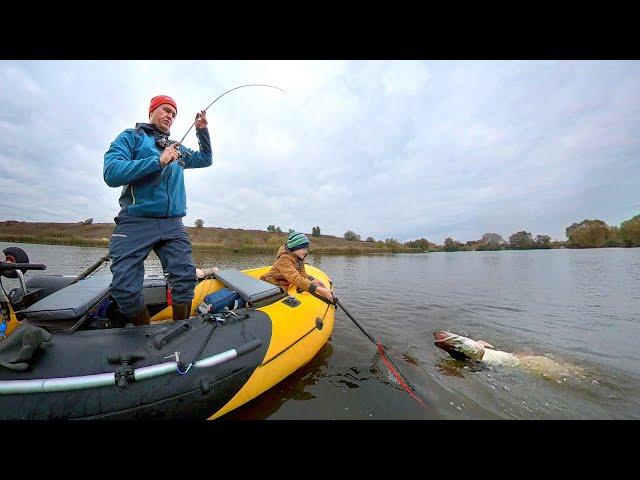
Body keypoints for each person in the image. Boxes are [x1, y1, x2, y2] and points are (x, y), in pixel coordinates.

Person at [103, 95, 213, 326]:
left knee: (184, 279)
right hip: (135, 221)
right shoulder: (131, 138)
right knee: (124, 287)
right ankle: (143, 332)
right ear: (151, 112)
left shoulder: (178, 149)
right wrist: (158, 161)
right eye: (165, 110)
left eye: (173, 114)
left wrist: (202, 131)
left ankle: (180, 328)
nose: (170, 116)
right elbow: (111, 173)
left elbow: (205, 159)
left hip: (173, 223)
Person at [260, 232, 334, 302]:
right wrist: (319, 290)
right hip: (271, 283)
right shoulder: (284, 259)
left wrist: (314, 280)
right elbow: (295, 278)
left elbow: (302, 273)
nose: (306, 252)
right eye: (303, 249)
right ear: (294, 247)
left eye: (306, 249)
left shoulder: (299, 257)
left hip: (283, 282)